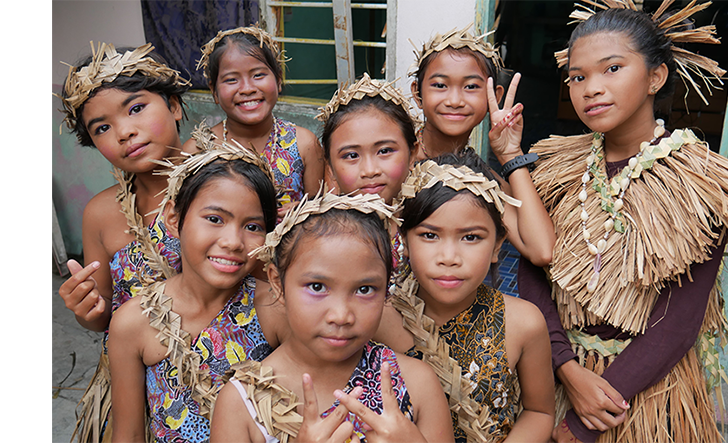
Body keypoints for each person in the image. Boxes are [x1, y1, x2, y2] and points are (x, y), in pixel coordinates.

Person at [515, 2, 728, 442]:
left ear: (655, 78)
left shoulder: (701, 182)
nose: (591, 88)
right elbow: (533, 272)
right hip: (552, 376)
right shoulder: (555, 166)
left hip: (640, 396)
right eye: (578, 76)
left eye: (612, 68)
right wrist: (565, 369)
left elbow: (678, 322)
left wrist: (586, 419)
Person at [210, 192, 454, 443]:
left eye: (364, 289)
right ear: (277, 283)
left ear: (386, 289)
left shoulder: (417, 383)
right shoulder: (242, 403)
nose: (341, 316)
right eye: (317, 287)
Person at [55, 42, 191, 443]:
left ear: (174, 105)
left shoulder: (225, 184)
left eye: (136, 108)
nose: (124, 132)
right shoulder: (100, 214)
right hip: (136, 389)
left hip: (222, 367)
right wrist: (86, 309)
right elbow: (100, 320)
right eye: (102, 127)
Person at [377, 150, 556, 443]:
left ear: (498, 245)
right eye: (429, 235)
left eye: (471, 237)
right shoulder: (377, 320)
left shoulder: (523, 323)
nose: (449, 257)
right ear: (404, 239)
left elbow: (539, 412)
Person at [107, 142, 281, 442]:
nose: (233, 241)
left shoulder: (275, 308)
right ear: (174, 219)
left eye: (253, 226)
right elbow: (130, 434)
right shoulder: (133, 322)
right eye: (215, 219)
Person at [409, 25, 554, 266]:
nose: (455, 101)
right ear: (417, 93)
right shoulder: (395, 159)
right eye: (440, 85)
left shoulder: (481, 180)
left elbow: (542, 251)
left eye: (471, 87)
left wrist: (510, 154)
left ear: (494, 96)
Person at [186, 25, 327, 218]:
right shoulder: (198, 150)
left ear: (278, 80)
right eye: (231, 80)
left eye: (258, 75)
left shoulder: (304, 145)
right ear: (214, 91)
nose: (247, 88)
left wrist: (305, 211)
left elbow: (322, 209)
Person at [316, 73, 419, 269]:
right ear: (329, 166)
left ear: (412, 153)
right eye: (351, 155)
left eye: (384, 151)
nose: (370, 171)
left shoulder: (430, 226)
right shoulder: (316, 237)